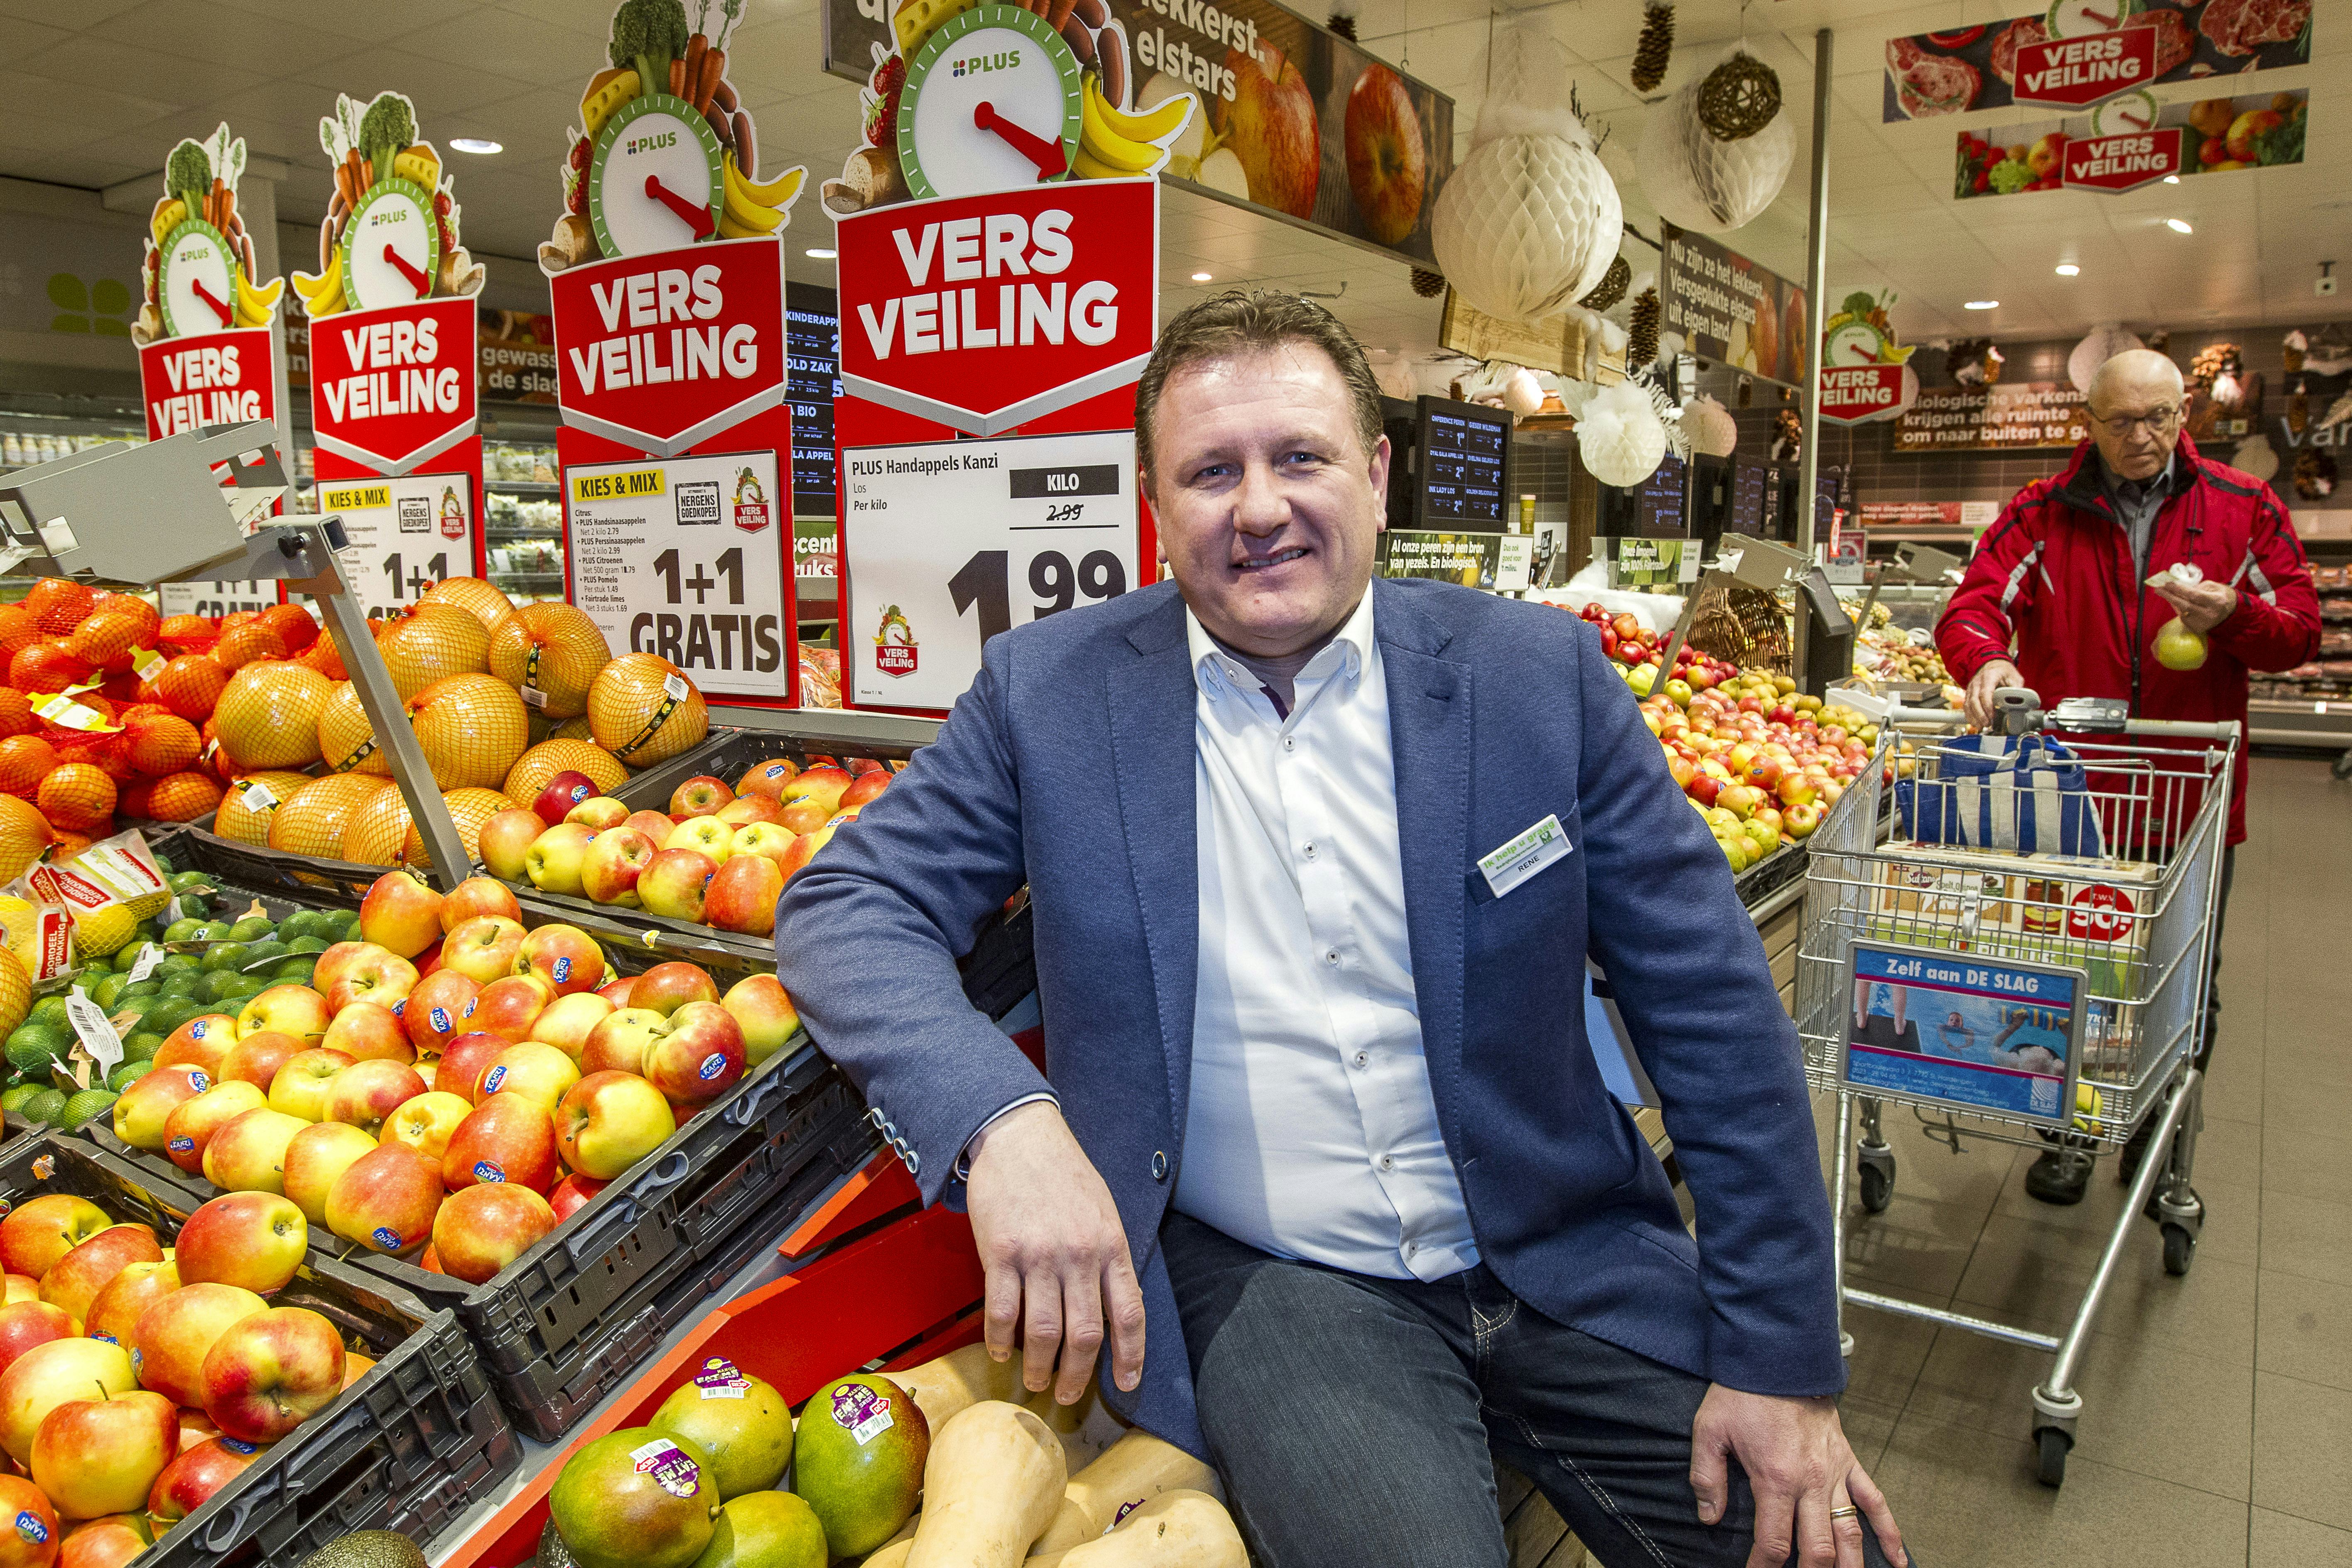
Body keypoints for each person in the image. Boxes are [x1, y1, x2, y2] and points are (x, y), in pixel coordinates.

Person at [775, 291, 1908, 1568]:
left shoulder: (1534, 680)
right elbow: (846, 905)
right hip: (1285, 1286)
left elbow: (1712, 1013)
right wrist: (1004, 1125)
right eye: (1211, 472)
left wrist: (1782, 1365)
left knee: (1825, 1553)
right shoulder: (1050, 697)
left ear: (1374, 477)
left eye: (1299, 457)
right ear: (1158, 509)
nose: (1258, 508)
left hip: (1563, 1246)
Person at [1935, 348, 2319, 1204]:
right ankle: (2067, 1131)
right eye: (2120, 422)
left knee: (2181, 985)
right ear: (2090, 424)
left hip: (2191, 802)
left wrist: (2234, 616)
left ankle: (2155, 1133)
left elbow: (2300, 632)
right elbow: (1974, 602)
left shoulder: (2245, 507)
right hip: (2074, 803)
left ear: (2185, 415)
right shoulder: (2041, 513)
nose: (2142, 437)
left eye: (2160, 418)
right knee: (2064, 977)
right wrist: (1987, 661)